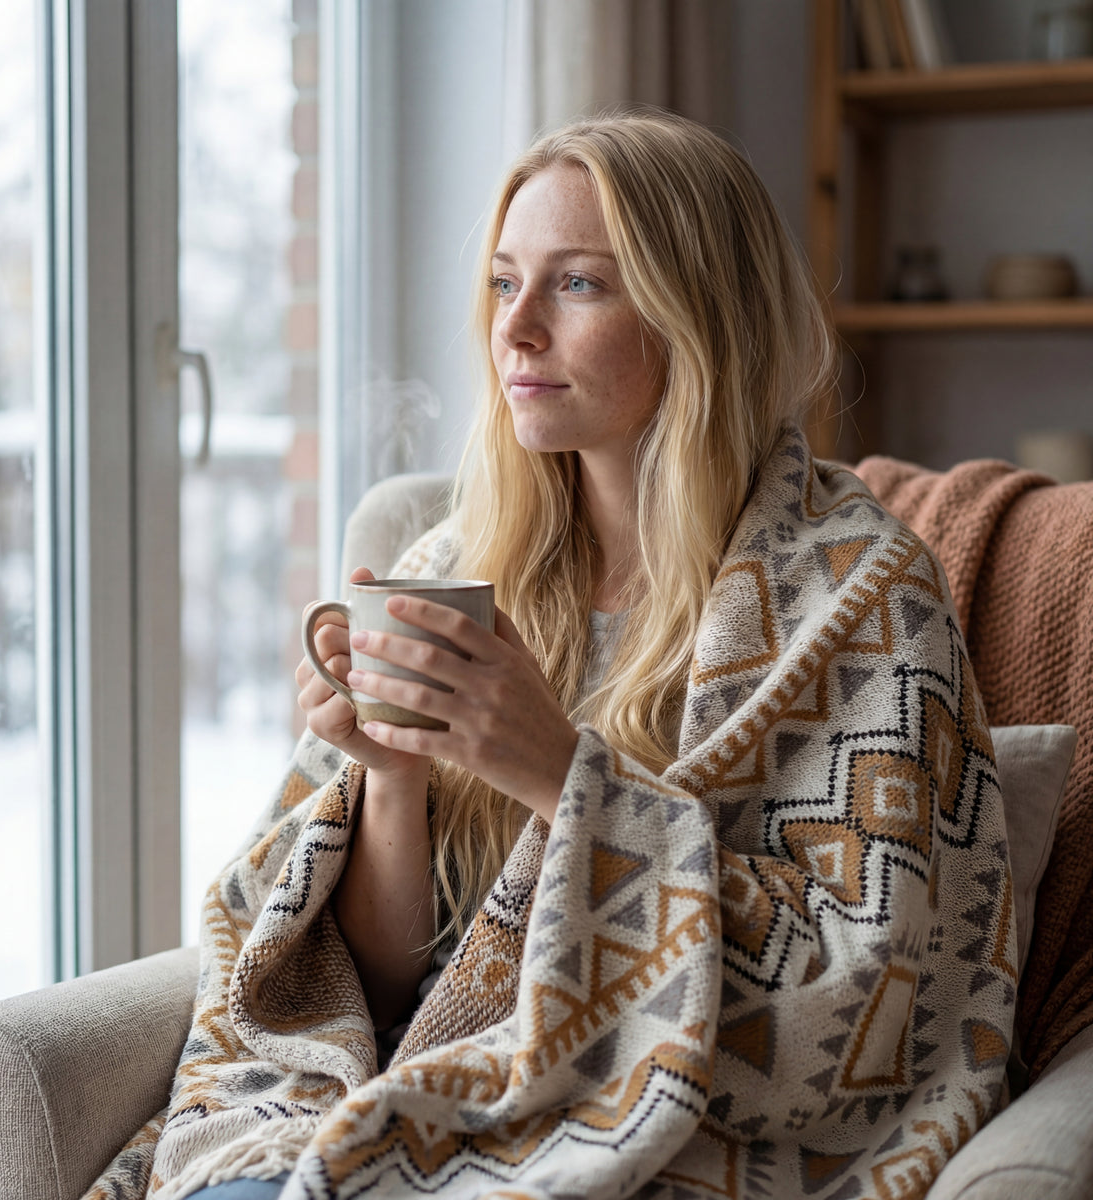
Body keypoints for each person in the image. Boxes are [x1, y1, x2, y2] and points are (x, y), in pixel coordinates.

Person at [85, 110, 1016, 1200]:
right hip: (424, 1081)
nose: (515, 328)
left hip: (643, 1122)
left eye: (577, 285)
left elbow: (869, 990)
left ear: (698, 314)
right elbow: (384, 989)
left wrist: (553, 770)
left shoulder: (861, 595)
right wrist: (389, 772)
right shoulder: (460, 558)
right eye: (501, 282)